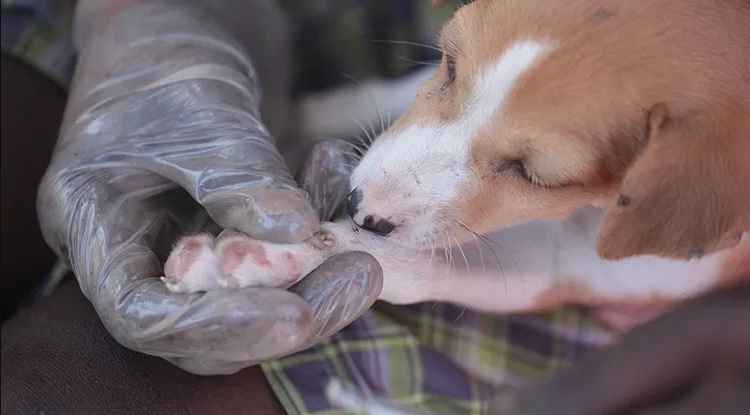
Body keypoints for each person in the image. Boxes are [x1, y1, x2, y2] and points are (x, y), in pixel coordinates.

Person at [2, 1, 748, 414]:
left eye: (527, 167)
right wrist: (145, 13)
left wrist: (360, 256)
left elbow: (581, 262)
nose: (379, 186)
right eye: (450, 65)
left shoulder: (706, 164)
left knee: (62, 380)